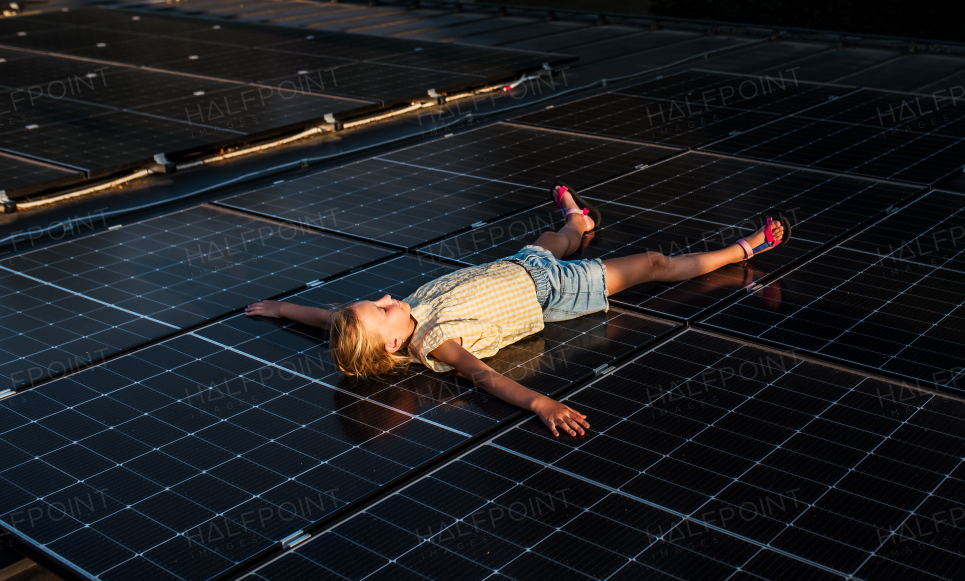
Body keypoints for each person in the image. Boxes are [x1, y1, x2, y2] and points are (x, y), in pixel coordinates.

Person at [246, 185, 791, 437]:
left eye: (380, 300)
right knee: (650, 263)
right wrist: (543, 405)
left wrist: (280, 307)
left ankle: (579, 222)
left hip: (519, 264)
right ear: (393, 345)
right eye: (383, 309)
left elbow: (330, 316)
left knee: (551, 236)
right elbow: (483, 376)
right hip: (550, 292)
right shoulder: (434, 341)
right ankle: (746, 248)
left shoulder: (397, 316)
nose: (389, 299)